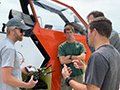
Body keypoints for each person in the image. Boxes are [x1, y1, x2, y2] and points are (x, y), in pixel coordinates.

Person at [62, 17, 120, 90]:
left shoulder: (98, 56)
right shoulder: (115, 53)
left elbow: (91, 89)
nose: (87, 36)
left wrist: (67, 78)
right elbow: (102, 75)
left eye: (88, 32)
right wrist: (83, 66)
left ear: (94, 32)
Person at [0, 18, 38, 90]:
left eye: (24, 31)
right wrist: (27, 85)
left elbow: (3, 69)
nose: (23, 33)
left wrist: (19, 70)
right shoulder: (9, 48)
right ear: (11, 30)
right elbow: (6, 78)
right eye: (21, 30)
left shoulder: (3, 43)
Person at [57, 25, 86, 90]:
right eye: (67, 33)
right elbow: (62, 61)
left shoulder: (80, 45)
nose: (69, 34)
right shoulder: (62, 47)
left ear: (73, 33)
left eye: (70, 32)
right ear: (65, 34)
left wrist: (70, 56)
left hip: (79, 74)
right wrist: (77, 58)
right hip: (66, 75)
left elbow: (83, 58)